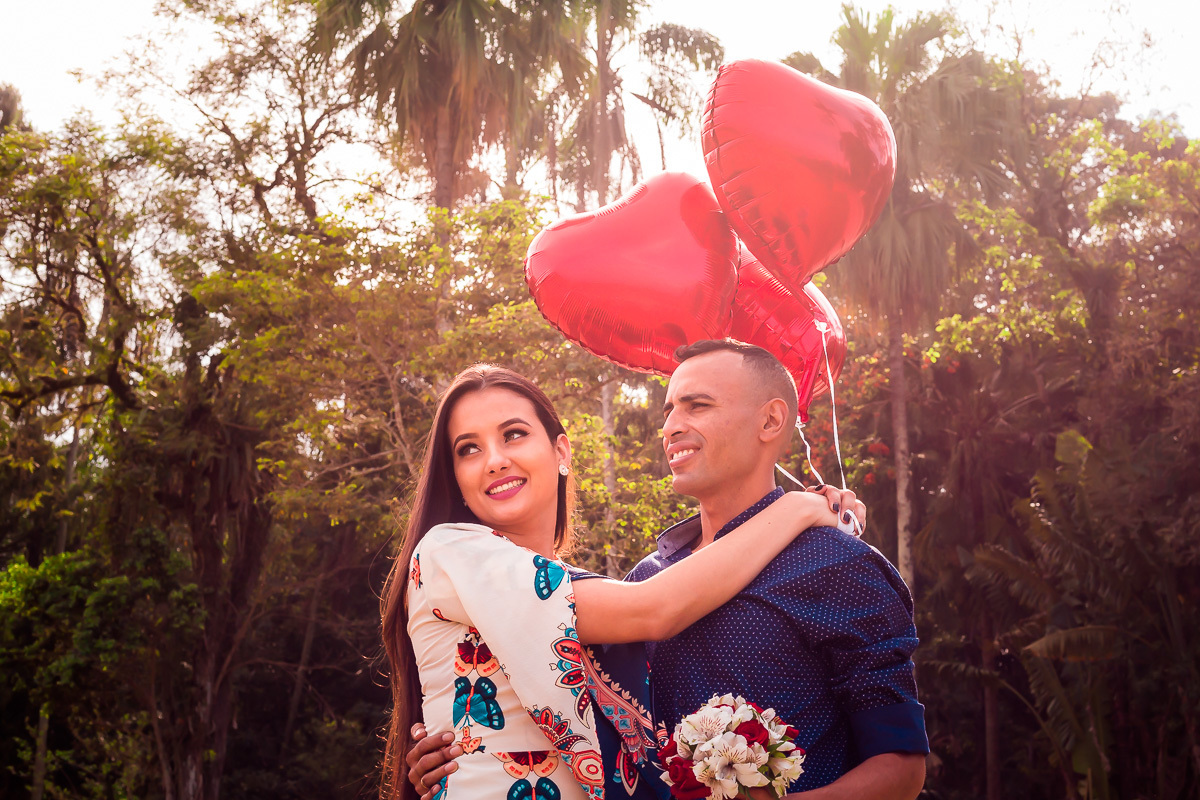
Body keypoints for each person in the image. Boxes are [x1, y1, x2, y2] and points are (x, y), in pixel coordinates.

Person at [407, 341, 928, 800]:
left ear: (771, 421)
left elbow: (900, 768)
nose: (671, 425)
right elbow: (651, 617)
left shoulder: (838, 563)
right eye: (669, 408)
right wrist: (460, 760)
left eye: (697, 405)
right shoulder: (646, 581)